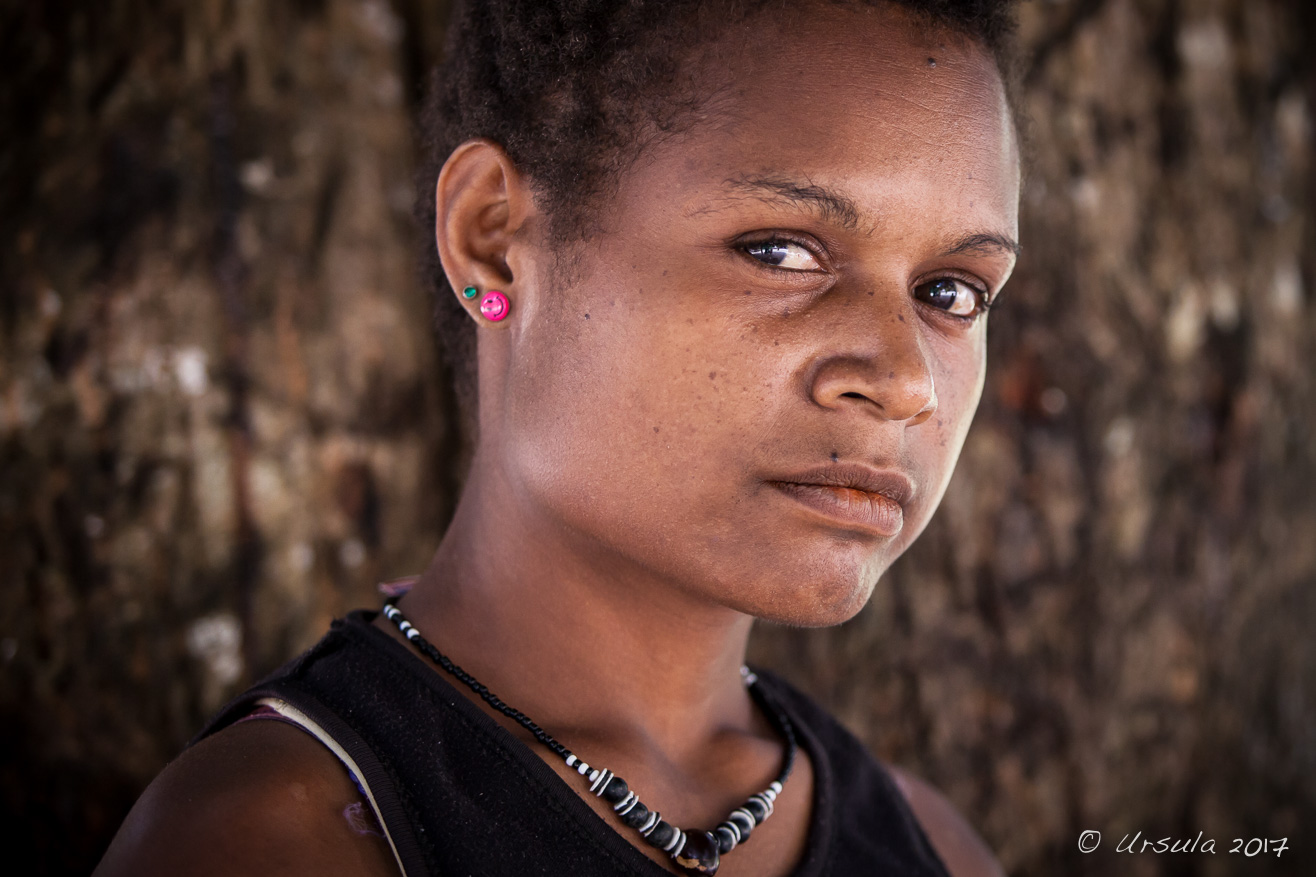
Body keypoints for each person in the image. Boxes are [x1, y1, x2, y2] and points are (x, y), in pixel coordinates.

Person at [96, 0, 1021, 874]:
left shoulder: (929, 843)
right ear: (495, 238)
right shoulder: (280, 834)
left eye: (951, 292)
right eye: (780, 250)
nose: (906, 381)